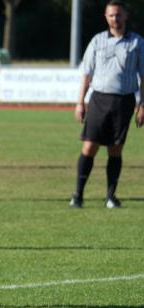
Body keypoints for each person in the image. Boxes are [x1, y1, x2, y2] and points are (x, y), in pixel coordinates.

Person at [70, 0, 144, 209]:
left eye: (118, 15)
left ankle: (111, 196)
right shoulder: (97, 41)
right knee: (89, 147)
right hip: (99, 99)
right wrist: (80, 103)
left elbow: (143, 75)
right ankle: (78, 195)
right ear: (106, 17)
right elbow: (86, 73)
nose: (115, 19)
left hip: (124, 100)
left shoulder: (137, 43)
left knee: (115, 149)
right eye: (111, 15)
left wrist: (143, 105)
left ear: (125, 16)